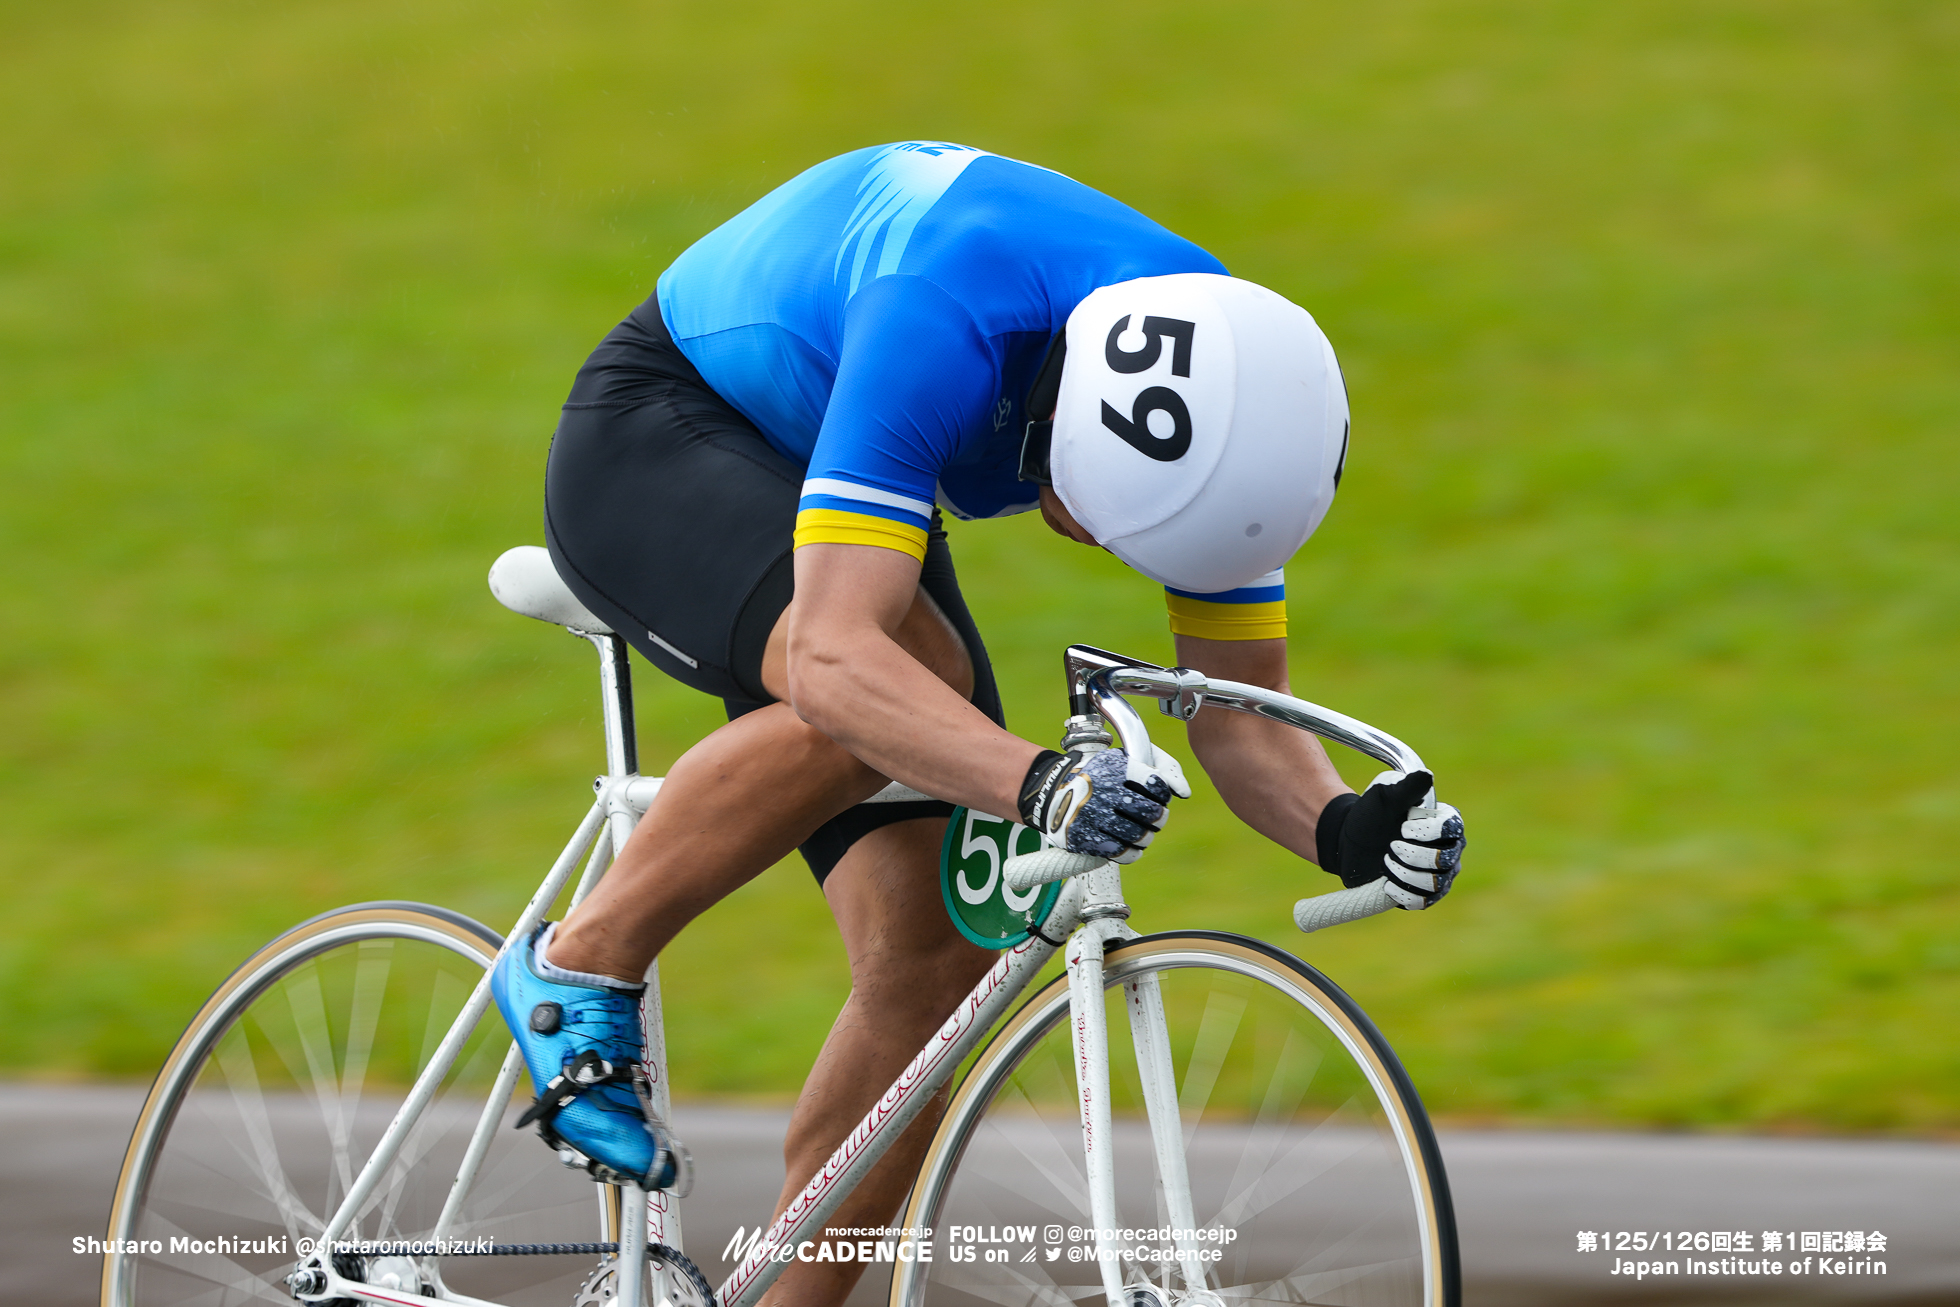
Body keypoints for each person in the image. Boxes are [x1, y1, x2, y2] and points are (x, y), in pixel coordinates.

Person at [490, 140, 1466, 1306]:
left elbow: (1236, 724)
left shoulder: (1229, 396)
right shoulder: (947, 319)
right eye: (1102, 523)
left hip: (849, 438)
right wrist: (1040, 782)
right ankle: (575, 965)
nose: (1102, 548)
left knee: (941, 963)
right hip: (673, 425)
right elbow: (836, 659)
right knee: (904, 679)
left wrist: (1346, 828)